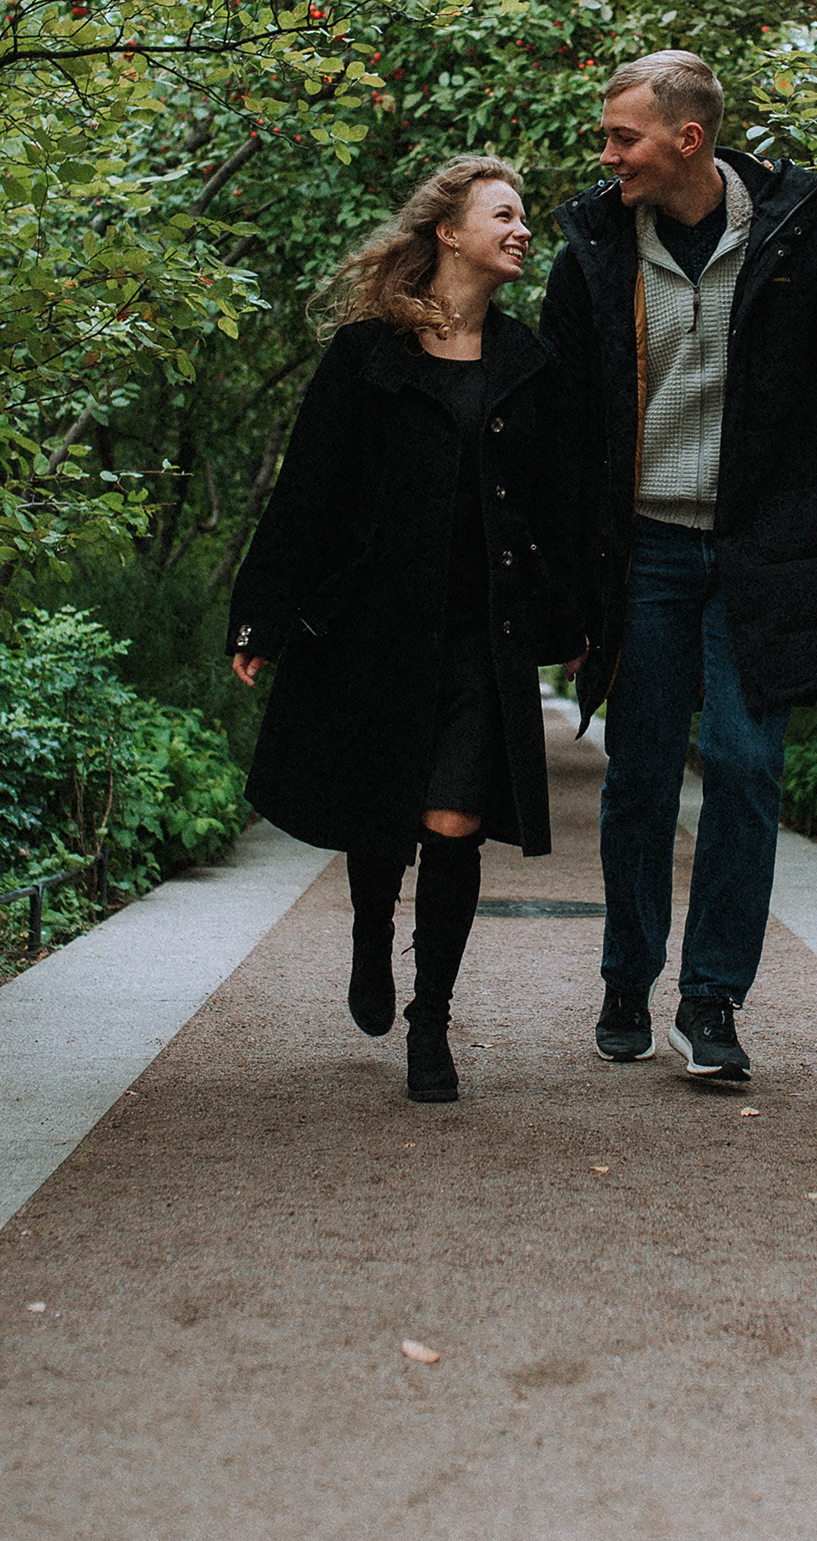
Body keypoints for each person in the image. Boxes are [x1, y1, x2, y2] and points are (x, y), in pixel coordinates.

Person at [541, 51, 817, 1083]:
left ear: (688, 138)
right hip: (642, 550)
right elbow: (555, 425)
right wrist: (561, 573)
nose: (606, 154)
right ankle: (626, 978)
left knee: (746, 764)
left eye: (623, 136)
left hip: (761, 547)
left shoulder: (798, 235)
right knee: (639, 774)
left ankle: (711, 997)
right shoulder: (593, 249)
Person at [227, 156, 581, 1105]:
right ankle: (370, 932)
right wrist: (263, 613)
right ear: (448, 232)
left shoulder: (527, 363)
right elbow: (307, 491)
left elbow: (556, 507)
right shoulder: (366, 356)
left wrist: (575, 620)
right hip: (375, 628)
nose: (521, 231)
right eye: (503, 215)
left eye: (522, 218)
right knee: (384, 810)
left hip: (481, 636)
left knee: (454, 818)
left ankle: (433, 1024)